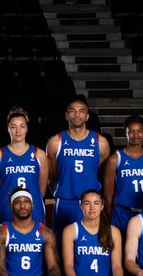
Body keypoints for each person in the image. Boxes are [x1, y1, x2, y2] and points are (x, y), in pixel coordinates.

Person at [46, 96, 110, 230]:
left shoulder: (101, 143)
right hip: (65, 201)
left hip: (90, 204)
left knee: (89, 247)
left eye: (81, 111)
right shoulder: (55, 142)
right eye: (72, 111)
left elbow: (99, 172)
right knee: (60, 246)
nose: (77, 115)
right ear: (66, 115)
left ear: (87, 116)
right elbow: (52, 176)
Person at [0, 106, 48, 227]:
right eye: (13, 126)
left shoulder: (40, 154)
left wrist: (30, 202)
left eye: (22, 126)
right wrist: (3, 204)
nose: (18, 131)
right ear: (8, 129)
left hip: (33, 210)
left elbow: (41, 188)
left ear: (27, 128)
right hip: (6, 210)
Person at [102, 115, 143, 232]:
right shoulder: (115, 159)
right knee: (119, 249)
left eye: (139, 131)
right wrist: (111, 217)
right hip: (122, 213)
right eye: (131, 131)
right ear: (125, 133)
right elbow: (107, 197)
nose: (135, 135)